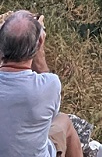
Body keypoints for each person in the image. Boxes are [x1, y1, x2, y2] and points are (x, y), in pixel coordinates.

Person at [0, 10, 83, 157]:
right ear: (39, 42)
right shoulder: (49, 85)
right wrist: (40, 52)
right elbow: (51, 114)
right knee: (64, 121)